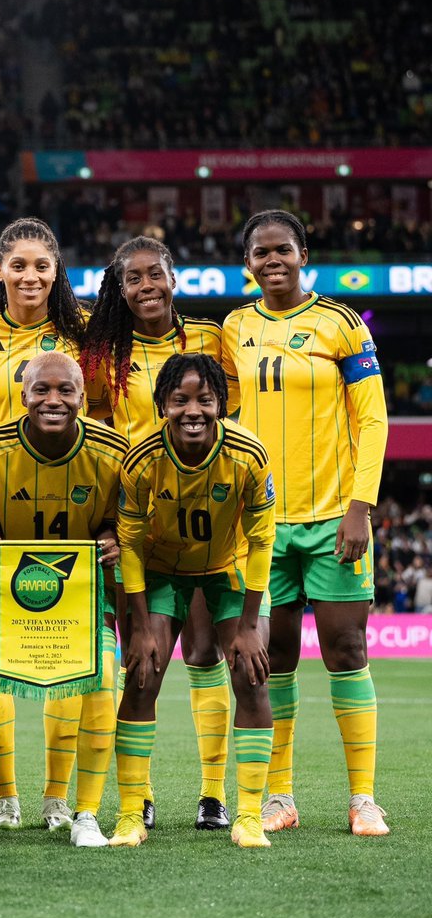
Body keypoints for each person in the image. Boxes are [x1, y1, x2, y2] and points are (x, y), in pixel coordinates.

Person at [222, 209, 390, 837]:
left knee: (347, 650)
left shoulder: (342, 324)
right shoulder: (234, 327)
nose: (272, 260)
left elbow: (373, 420)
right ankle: (279, 797)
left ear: (303, 255)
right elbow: (222, 413)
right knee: (276, 658)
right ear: (248, 263)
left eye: (283, 250)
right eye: (260, 252)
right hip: (261, 525)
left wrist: (360, 507)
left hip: (331, 519)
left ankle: (363, 798)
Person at [79, 236, 235, 830]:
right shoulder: (103, 352)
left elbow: (230, 418)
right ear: (119, 290)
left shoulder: (210, 339)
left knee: (204, 652)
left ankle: (213, 795)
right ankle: (138, 795)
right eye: (133, 278)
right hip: (135, 524)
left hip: (203, 520)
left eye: (154, 274)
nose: (146, 286)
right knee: (142, 660)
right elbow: (93, 432)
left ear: (174, 277)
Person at [0, 352, 126, 847]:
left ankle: (82, 812)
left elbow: (126, 520)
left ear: (82, 397)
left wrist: (113, 535)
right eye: (41, 390)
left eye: (65, 390)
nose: (53, 400)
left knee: (101, 680)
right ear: (23, 395)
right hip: (3, 592)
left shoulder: (113, 451)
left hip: (81, 595)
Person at [0, 216, 87, 831]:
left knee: (69, 661)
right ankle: (3, 800)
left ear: (56, 271)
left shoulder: (82, 328)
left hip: (66, 504)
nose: (30, 276)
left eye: (41, 265)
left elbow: (96, 409)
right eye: (19, 265)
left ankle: (57, 801)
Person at [112, 354, 276, 849]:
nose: (192, 410)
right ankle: (130, 813)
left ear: (221, 403)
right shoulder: (141, 460)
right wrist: (141, 626)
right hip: (162, 569)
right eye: (179, 399)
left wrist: (248, 624)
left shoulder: (249, 455)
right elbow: (130, 546)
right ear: (162, 404)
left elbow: (262, 539)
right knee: (141, 675)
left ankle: (249, 816)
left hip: (229, 567)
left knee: (251, 675)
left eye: (204, 399)